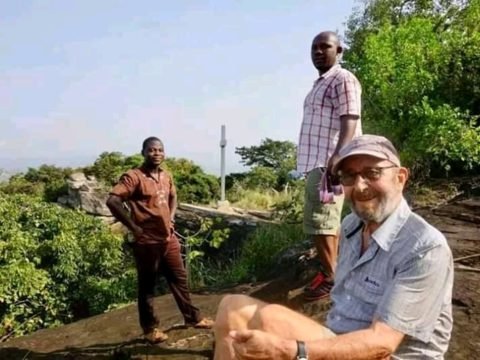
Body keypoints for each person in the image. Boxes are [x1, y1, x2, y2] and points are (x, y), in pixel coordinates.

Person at [213, 134, 453, 359]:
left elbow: (383, 343)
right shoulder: (351, 226)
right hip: (343, 338)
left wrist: (291, 350)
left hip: (386, 353)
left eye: (372, 173)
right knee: (232, 308)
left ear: (400, 178)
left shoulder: (424, 248)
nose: (359, 186)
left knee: (266, 321)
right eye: (349, 176)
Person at [106, 136, 213, 344]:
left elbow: (173, 196)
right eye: (152, 150)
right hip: (146, 242)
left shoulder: (165, 175)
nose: (156, 153)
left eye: (160, 150)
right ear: (143, 152)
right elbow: (112, 200)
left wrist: (171, 217)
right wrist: (134, 227)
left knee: (179, 279)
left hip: (168, 239)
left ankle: (192, 318)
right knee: (147, 286)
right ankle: (150, 329)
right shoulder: (133, 177)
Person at [297, 31, 362, 300]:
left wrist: (338, 155)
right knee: (327, 221)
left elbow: (350, 117)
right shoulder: (319, 83)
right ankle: (330, 269)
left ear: (340, 51)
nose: (319, 51)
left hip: (329, 163)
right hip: (318, 161)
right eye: (315, 47)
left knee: (319, 221)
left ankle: (332, 276)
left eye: (326, 47)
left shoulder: (342, 78)